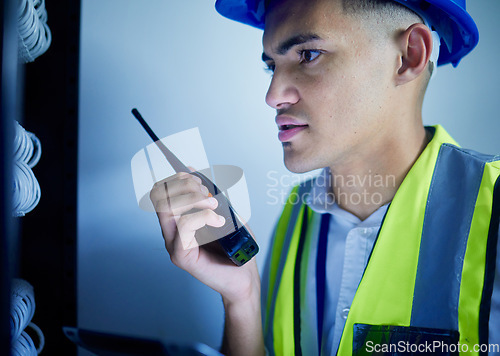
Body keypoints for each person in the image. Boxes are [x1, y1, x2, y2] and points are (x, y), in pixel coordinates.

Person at [149, 0, 500, 355]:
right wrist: (243, 299)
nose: (272, 95)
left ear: (409, 55)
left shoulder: (496, 207)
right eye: (271, 65)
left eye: (309, 55)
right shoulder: (298, 212)